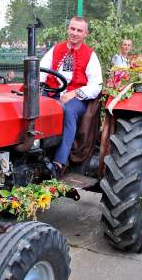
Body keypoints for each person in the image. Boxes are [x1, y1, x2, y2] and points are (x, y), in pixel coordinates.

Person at [39, 16, 103, 173]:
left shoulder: (90, 55)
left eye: (79, 30)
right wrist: (37, 88)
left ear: (85, 34)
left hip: (76, 97)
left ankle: (59, 161)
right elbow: (40, 70)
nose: (75, 33)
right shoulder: (56, 49)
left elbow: (96, 85)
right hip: (52, 91)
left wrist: (74, 92)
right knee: (35, 108)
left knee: (68, 111)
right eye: (72, 29)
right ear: (68, 29)